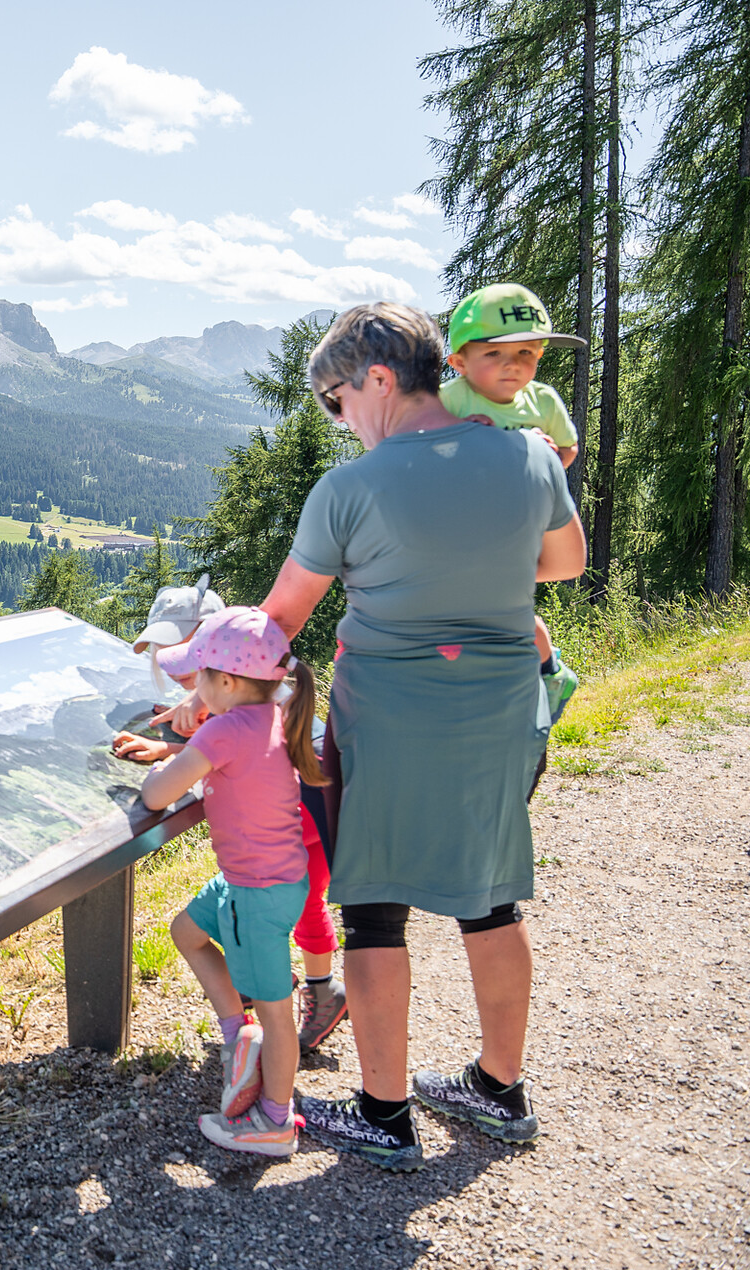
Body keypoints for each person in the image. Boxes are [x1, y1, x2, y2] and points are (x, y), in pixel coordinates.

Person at [245, 302, 584, 1171]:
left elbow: (278, 621)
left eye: (334, 399)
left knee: (372, 913)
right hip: (502, 709)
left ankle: (384, 1115)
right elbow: (566, 563)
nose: (337, 418)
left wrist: (190, 670)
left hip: (389, 719)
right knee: (491, 898)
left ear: (379, 380)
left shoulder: (352, 489)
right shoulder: (527, 455)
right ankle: (499, 1091)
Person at [112, 606, 329, 1157]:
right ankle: (239, 1041)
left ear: (226, 682)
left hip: (256, 894)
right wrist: (185, 752)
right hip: (270, 883)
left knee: (278, 1015)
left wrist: (165, 766)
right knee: (186, 930)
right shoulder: (270, 717)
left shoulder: (228, 728)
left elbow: (158, 794)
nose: (194, 688)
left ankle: (275, 1121)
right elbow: (219, 762)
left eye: (200, 676)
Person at [440, 282, 584, 721]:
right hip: (464, 524)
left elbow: (567, 449)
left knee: (511, 605)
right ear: (459, 361)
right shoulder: (449, 399)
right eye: (495, 354)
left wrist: (542, 462)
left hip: (519, 523)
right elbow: (419, 450)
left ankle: (548, 671)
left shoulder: (542, 401)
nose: (513, 366)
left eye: (526, 353)